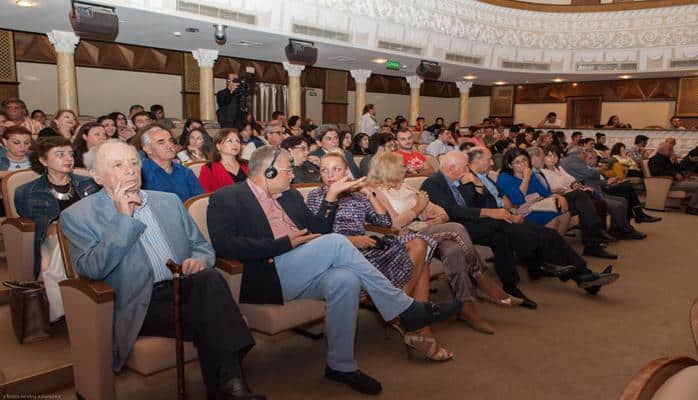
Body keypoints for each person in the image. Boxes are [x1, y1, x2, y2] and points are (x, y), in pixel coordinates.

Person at [207, 146, 461, 394]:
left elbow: (319, 230)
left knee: (345, 279)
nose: (292, 175)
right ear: (268, 172)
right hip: (269, 274)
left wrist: (331, 197)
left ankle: (341, 365)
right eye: (287, 171)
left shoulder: (291, 196)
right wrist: (283, 244)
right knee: (337, 242)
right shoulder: (226, 198)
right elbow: (225, 245)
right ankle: (403, 309)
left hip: (306, 266)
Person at [61, 140, 262, 399]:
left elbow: (202, 247)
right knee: (214, 312)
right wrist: (123, 219)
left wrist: (199, 260)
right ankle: (232, 385)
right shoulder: (78, 215)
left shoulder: (168, 201)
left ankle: (229, 388)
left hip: (184, 287)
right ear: (97, 176)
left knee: (209, 279)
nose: (130, 170)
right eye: (118, 165)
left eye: (134, 162)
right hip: (138, 302)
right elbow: (93, 268)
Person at [308, 153, 457, 359]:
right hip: (340, 254)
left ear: (346, 172)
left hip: (366, 248)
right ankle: (415, 326)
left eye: (336, 169)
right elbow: (317, 235)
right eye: (324, 170)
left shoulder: (357, 195)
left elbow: (385, 223)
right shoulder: (316, 196)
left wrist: (370, 194)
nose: (330, 175)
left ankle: (401, 312)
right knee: (422, 266)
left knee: (418, 243)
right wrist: (351, 240)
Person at [424, 150, 620, 303]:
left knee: (516, 236)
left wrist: (478, 186)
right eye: (465, 166)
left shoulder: (463, 180)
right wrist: (493, 213)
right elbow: (453, 211)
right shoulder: (433, 184)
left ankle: (577, 276)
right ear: (451, 168)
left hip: (482, 222)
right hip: (459, 228)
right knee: (526, 233)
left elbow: (480, 202)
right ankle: (540, 262)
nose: (468, 169)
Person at [366, 151, 522, 334]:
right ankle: (482, 280)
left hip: (428, 230)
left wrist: (439, 217)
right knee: (457, 228)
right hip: (406, 237)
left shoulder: (406, 187)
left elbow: (441, 211)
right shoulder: (375, 192)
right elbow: (394, 224)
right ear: (389, 168)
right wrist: (418, 208)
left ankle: (467, 307)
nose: (406, 168)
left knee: (454, 250)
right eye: (401, 165)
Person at [15, 136, 99, 320]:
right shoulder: (27, 192)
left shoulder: (88, 183)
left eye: (70, 154)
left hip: (90, 232)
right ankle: (68, 311)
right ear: (43, 160)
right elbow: (36, 228)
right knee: (56, 249)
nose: (68, 158)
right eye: (60, 154)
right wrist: (60, 228)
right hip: (54, 239)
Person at [531, 147, 618, 258]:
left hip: (566, 195)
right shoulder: (541, 172)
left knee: (591, 200)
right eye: (548, 155)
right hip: (556, 199)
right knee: (581, 196)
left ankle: (595, 237)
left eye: (555, 156)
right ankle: (594, 240)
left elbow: (571, 179)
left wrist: (573, 184)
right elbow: (546, 191)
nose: (552, 158)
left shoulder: (558, 168)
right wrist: (561, 190)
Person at [560, 148, 656, 238]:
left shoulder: (584, 167)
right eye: (589, 157)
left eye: (595, 158)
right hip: (593, 193)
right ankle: (626, 229)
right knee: (618, 203)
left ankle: (618, 228)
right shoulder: (580, 167)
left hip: (598, 190)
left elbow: (597, 179)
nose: (594, 160)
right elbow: (589, 180)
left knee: (623, 199)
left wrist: (606, 180)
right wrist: (605, 180)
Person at [496, 148, 571, 235]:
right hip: (519, 213)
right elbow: (517, 200)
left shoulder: (532, 175)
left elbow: (545, 193)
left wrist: (560, 197)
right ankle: (551, 241)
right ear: (510, 165)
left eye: (524, 160)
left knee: (565, 214)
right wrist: (526, 178)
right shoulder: (504, 178)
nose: (522, 164)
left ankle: (557, 241)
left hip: (536, 206)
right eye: (517, 162)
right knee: (552, 217)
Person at [140, 124, 203, 202]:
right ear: (148, 149)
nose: (170, 146)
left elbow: (197, 202)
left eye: (171, 141)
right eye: (161, 142)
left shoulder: (186, 172)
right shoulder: (140, 173)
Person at [649, 143, 698, 215]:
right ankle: (692, 207)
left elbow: (677, 170)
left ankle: (692, 203)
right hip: (667, 183)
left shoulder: (666, 159)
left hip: (673, 181)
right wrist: (674, 174)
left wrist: (675, 163)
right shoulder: (655, 159)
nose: (672, 152)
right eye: (670, 150)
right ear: (663, 150)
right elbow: (656, 172)